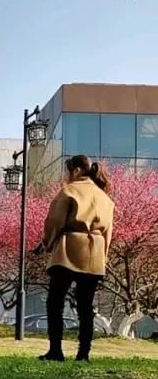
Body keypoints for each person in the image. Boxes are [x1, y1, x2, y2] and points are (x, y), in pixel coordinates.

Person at [38, 155, 114, 363]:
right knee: (86, 307)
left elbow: (54, 221)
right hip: (95, 252)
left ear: (77, 171)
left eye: (67, 171)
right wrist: (103, 257)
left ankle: (56, 351)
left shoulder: (69, 191)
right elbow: (108, 233)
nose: (66, 176)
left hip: (68, 248)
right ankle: (83, 354)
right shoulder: (105, 198)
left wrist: (47, 243)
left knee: (55, 302)